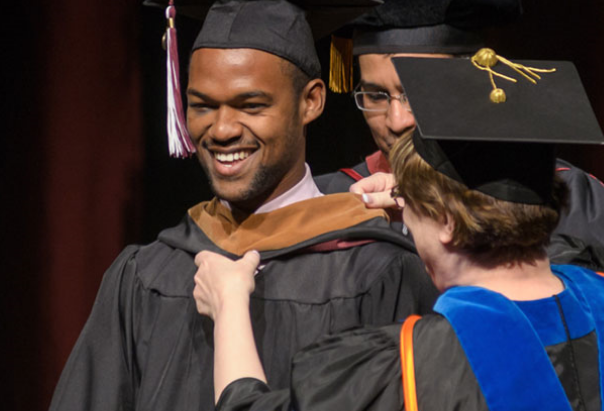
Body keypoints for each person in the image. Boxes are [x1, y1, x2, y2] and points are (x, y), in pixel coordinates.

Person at [48, 1, 437, 411]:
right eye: (203, 105)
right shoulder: (145, 276)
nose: (222, 130)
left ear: (312, 102)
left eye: (251, 106)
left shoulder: (381, 274)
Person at [193, 56, 604, 410]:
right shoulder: (592, 293)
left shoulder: (410, 366)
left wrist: (229, 305)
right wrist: (424, 205)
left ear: (446, 223)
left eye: (410, 202)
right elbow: (563, 256)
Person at [314, 0, 604, 269]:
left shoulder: (562, 194)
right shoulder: (333, 200)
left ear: (474, 84)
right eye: (376, 96)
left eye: (419, 93)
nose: (397, 120)